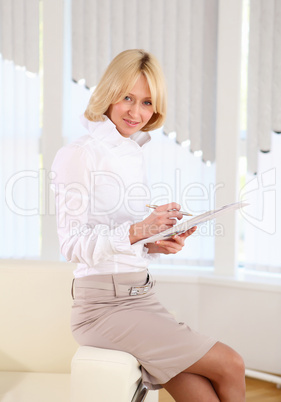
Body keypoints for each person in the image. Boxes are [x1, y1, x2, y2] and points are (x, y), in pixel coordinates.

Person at [52, 49, 245, 401]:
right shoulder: (79, 154)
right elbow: (72, 244)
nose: (136, 112)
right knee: (231, 364)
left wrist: (156, 242)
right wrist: (140, 230)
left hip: (141, 297)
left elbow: (120, 236)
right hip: (103, 307)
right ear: (109, 92)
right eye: (128, 97)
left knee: (201, 393)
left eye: (147, 102)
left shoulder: (132, 152)